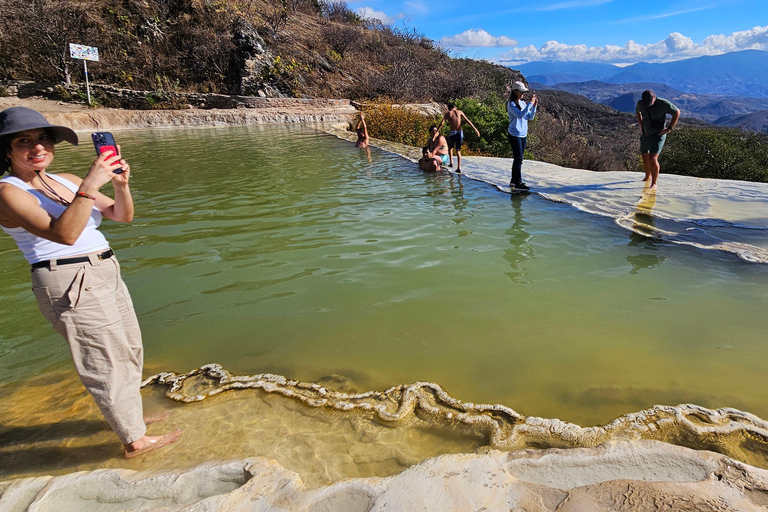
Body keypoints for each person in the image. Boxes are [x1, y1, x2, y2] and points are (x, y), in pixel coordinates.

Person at [0, 107, 182, 458]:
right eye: (24, 141)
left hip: (104, 269)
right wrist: (89, 184)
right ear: (7, 150)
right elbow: (64, 233)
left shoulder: (64, 179)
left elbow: (121, 215)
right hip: (66, 276)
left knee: (128, 348)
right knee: (103, 357)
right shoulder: (8, 192)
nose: (37, 147)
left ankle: (131, 420)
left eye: (43, 139)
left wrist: (119, 184)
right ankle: (133, 441)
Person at [635, 89, 680, 189]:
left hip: (658, 134)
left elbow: (677, 112)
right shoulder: (641, 103)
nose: (648, 104)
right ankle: (647, 177)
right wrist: (640, 123)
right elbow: (638, 112)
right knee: (644, 155)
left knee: (652, 158)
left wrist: (669, 128)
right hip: (646, 134)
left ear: (654, 97)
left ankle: (654, 183)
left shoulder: (663, 103)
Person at [507, 81, 538, 191]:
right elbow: (520, 115)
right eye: (521, 92)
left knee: (519, 158)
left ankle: (514, 180)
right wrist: (530, 104)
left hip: (523, 133)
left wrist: (534, 106)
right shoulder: (511, 104)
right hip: (514, 133)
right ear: (515, 91)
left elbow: (530, 117)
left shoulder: (523, 103)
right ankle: (517, 182)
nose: (523, 94)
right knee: (518, 158)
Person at [436, 102, 480, 173]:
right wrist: (476, 129)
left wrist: (437, 131)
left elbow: (442, 123)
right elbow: (467, 121)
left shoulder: (448, 114)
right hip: (459, 133)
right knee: (458, 150)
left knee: (450, 148)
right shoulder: (460, 112)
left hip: (452, 133)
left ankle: (451, 163)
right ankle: (459, 167)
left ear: (449, 108)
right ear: (455, 107)